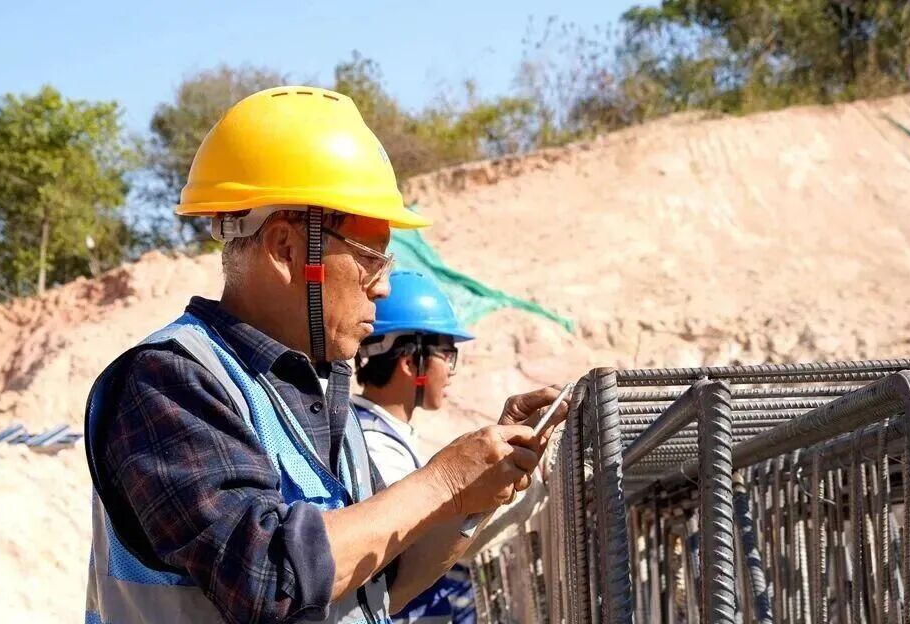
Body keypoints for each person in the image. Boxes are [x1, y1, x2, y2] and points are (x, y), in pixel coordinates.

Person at [82, 85, 567, 624]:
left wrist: (470, 496)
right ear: (286, 249)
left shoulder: (317, 389)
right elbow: (270, 580)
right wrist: (444, 480)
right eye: (370, 260)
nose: (383, 288)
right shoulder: (167, 382)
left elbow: (379, 587)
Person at [352, 270, 477, 623]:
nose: (451, 371)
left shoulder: (380, 434)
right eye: (447, 355)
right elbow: (419, 548)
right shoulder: (375, 447)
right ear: (411, 363)